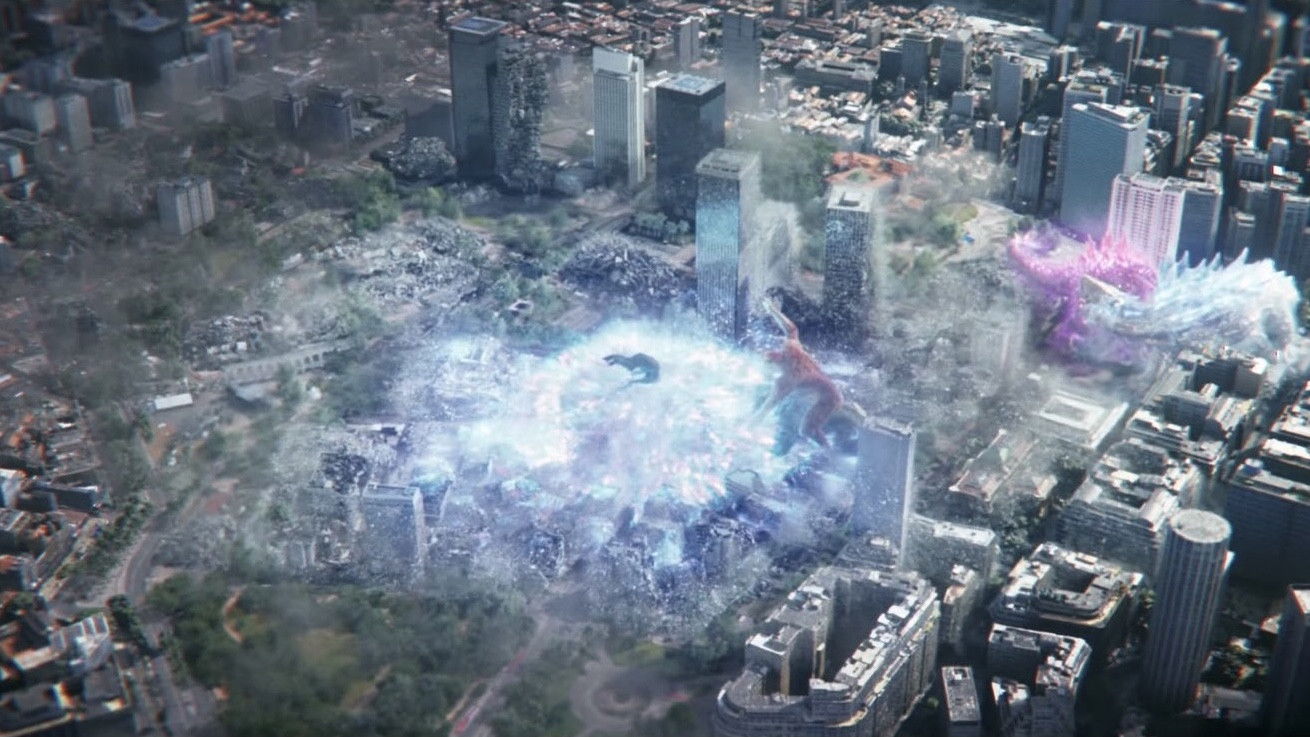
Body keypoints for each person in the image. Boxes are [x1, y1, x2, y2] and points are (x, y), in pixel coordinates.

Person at [755, 298, 843, 448]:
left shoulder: (788, 380)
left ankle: (829, 453)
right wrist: (772, 310)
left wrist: (744, 428)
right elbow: (792, 330)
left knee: (806, 430)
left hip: (830, 399)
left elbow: (764, 410)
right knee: (796, 414)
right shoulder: (792, 350)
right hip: (828, 390)